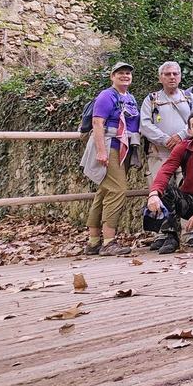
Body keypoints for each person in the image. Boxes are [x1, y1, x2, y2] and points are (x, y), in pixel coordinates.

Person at [80, 61, 141, 256]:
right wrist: (101, 151)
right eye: (120, 73)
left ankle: (94, 241)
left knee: (104, 191)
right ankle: (109, 241)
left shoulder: (130, 98)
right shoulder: (107, 95)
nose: (125, 76)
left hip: (123, 148)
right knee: (117, 190)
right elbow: (98, 123)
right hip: (109, 146)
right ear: (112, 77)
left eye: (128, 73)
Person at [146, 110, 193, 254]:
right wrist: (153, 194)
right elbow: (166, 170)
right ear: (189, 131)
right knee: (165, 190)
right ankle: (170, 236)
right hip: (190, 200)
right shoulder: (183, 148)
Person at [140, 61, 193, 185]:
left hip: (186, 153)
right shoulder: (151, 100)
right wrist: (165, 140)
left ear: (180, 77)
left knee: (186, 192)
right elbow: (144, 124)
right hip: (159, 154)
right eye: (167, 74)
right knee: (161, 191)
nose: (172, 77)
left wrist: (181, 135)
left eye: (175, 73)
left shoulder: (190, 98)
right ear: (160, 78)